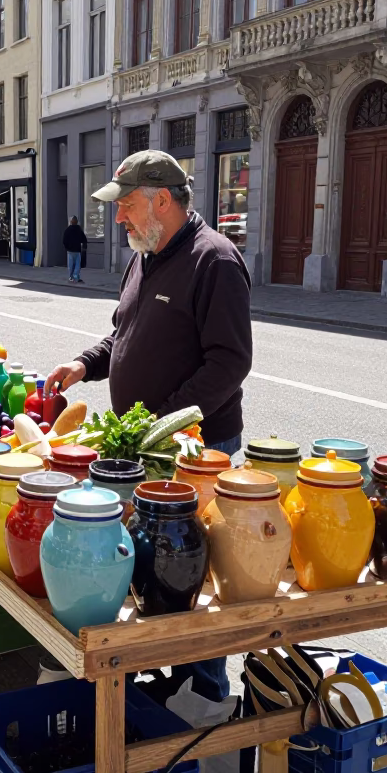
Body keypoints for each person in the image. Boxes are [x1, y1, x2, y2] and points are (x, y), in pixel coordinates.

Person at [44, 151, 252, 703]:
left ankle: (206, 695)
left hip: (196, 450)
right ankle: (155, 681)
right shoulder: (145, 255)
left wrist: (162, 424)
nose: (118, 218)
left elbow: (229, 363)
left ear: (162, 200)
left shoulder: (215, 261)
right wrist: (85, 364)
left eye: (127, 205)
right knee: (148, 566)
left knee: (193, 578)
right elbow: (125, 334)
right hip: (146, 450)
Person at [63, 215, 87, 283]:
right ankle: (76, 276)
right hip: (77, 250)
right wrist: (84, 246)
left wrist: (67, 247)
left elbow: (64, 240)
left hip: (70, 250)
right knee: (77, 265)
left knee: (71, 265)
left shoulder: (67, 230)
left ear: (71, 222)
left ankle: (71, 277)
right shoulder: (79, 229)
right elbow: (84, 239)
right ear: (76, 222)